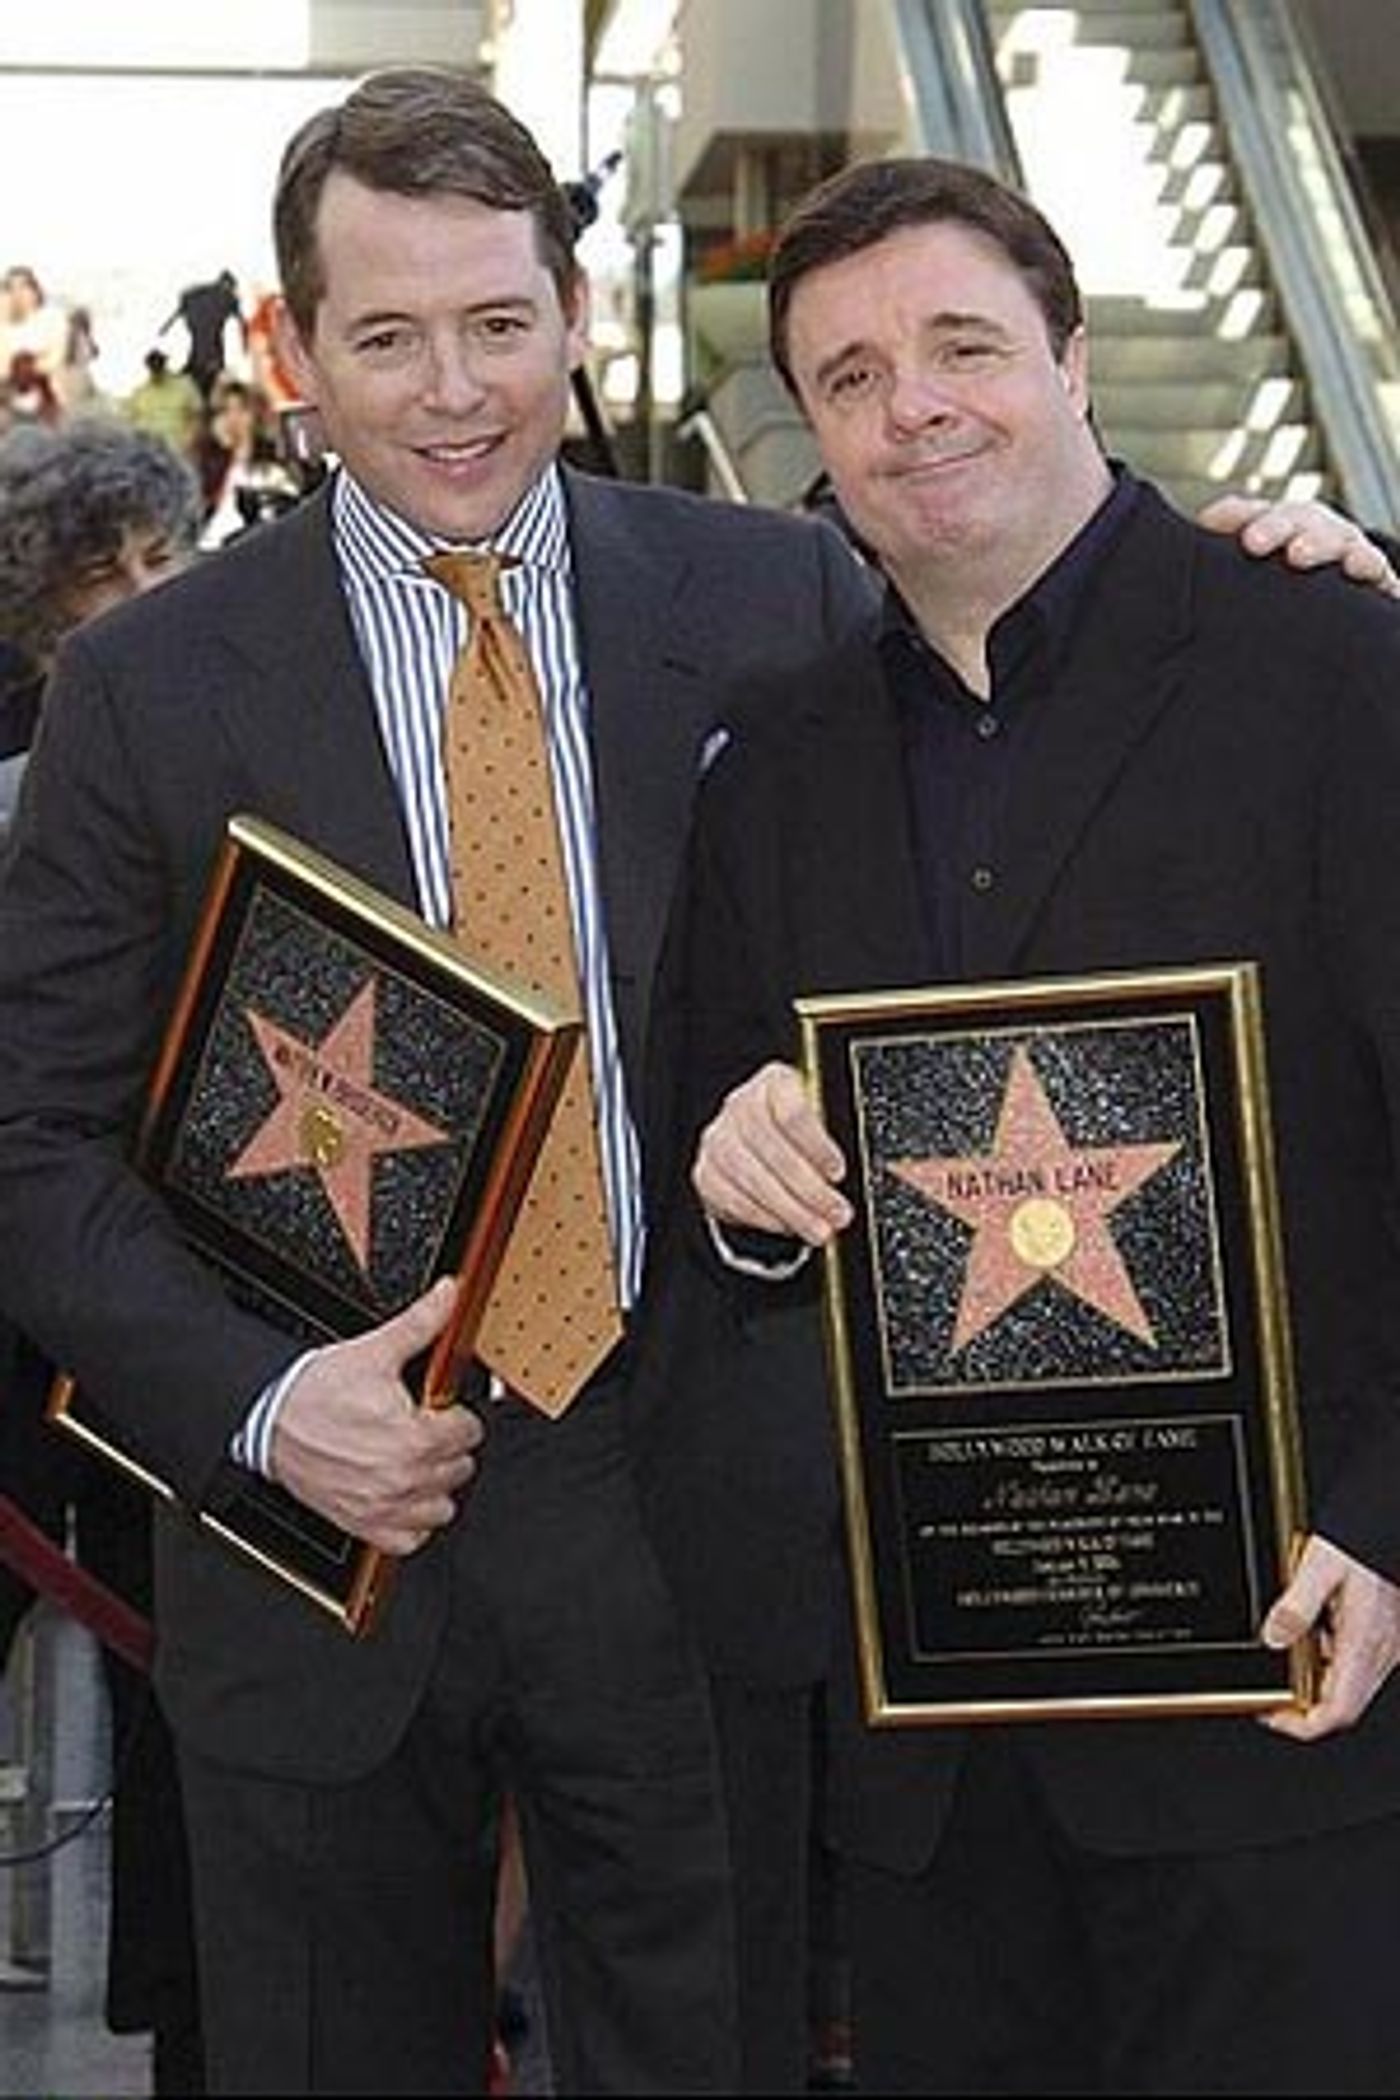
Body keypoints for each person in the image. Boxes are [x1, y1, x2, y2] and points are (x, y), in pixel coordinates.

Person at [0, 66, 882, 2099]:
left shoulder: (776, 604)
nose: (457, 389)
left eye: (498, 324)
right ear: (295, 353)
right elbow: (32, 1139)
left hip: (688, 1529)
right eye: (388, 337)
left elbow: (1031, 734)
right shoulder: (149, 686)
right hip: (320, 1537)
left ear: (573, 314)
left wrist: (1313, 573)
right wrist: (259, 1400)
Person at [639, 152, 1400, 2097]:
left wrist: (1389, 1534)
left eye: (962, 344)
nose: (916, 406)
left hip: (1290, 1710)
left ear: (1068, 355)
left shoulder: (1331, 669)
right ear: (807, 434)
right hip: (933, 1768)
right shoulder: (773, 775)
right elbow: (711, 1148)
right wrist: (737, 1184)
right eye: (852, 375)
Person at [0, 416, 205, 2094]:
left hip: (162, 1306)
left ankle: (189, 2013)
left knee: (193, 1697)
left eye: (156, 560)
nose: (134, 598)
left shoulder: (207, 725)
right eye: (95, 574)